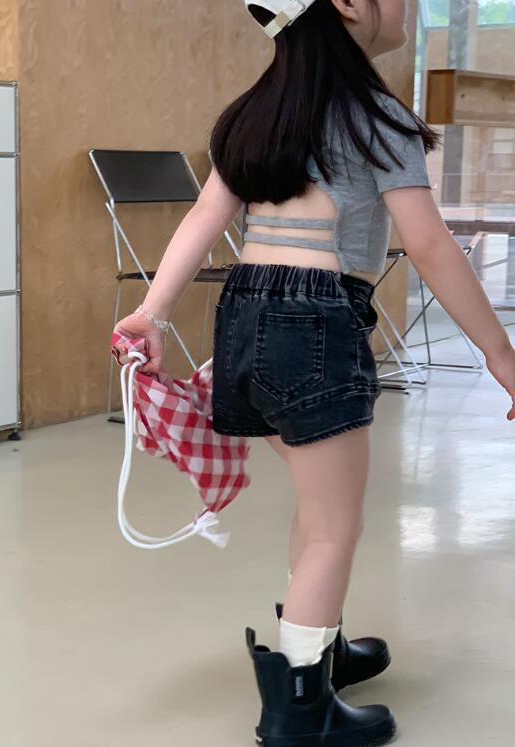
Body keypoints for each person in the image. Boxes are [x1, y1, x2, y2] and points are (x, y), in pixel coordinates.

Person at [113, 1, 515, 744]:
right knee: (335, 526)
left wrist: (152, 313)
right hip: (316, 319)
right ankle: (299, 709)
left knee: (315, 506)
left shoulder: (252, 114)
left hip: (243, 318)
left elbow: (203, 219)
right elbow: (429, 245)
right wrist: (500, 352)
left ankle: (318, 645)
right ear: (350, 6)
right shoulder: (377, 118)